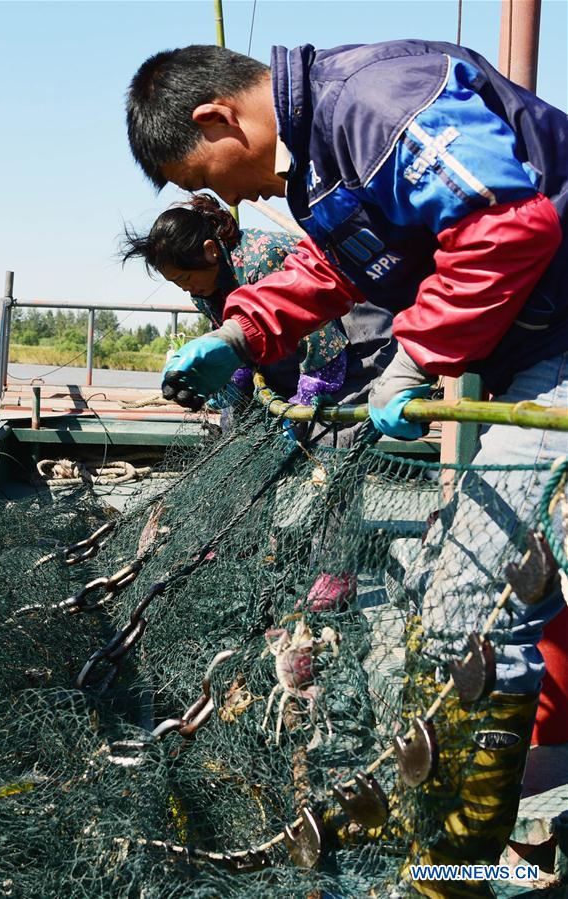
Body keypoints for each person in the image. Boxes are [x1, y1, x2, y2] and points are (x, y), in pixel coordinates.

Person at [125, 41, 567, 895]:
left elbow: (511, 226)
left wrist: (414, 357)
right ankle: (475, 849)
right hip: (532, 350)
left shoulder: (373, 102)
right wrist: (239, 333)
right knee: (458, 611)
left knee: (474, 605)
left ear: (217, 118)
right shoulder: (320, 158)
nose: (221, 198)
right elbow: (334, 263)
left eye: (200, 173)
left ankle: (452, 876)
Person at [122, 192, 395, 441]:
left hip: (351, 330)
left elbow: (321, 339)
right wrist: (230, 384)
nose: (184, 288)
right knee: (238, 428)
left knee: (327, 435)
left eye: (185, 277)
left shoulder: (263, 258)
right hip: (295, 352)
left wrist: (303, 402)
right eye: (176, 283)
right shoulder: (203, 292)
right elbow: (241, 350)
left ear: (210, 250)